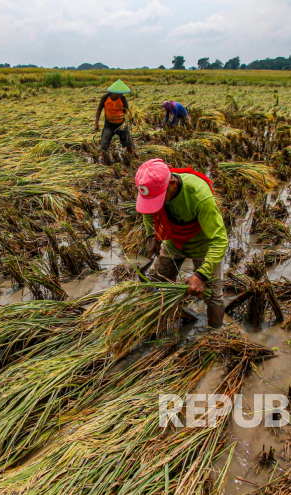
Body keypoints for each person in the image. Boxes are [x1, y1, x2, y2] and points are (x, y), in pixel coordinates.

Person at [136, 159, 228, 328]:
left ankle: (215, 337)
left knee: (213, 295)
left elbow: (220, 240)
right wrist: (152, 237)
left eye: (158, 199)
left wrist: (201, 275)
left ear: (171, 183)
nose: (157, 203)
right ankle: (162, 324)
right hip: (174, 239)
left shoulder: (199, 196)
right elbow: (148, 209)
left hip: (203, 245)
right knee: (154, 280)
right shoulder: (152, 187)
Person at [94, 79, 135, 153]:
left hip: (121, 125)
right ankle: (104, 159)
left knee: (129, 144)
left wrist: (132, 118)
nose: (122, 94)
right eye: (120, 93)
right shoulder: (105, 97)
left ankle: (132, 157)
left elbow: (127, 111)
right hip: (109, 125)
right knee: (103, 146)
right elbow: (99, 109)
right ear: (114, 92)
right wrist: (96, 123)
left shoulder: (122, 98)